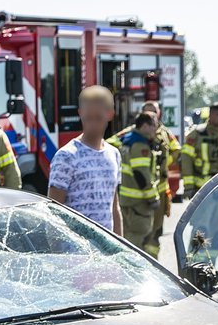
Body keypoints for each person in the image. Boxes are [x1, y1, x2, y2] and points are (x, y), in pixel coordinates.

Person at [48, 86, 123, 233]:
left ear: (110, 114)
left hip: (106, 252)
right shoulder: (66, 156)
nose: (93, 124)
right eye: (88, 117)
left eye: (98, 117)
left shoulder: (114, 154)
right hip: (74, 253)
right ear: (80, 113)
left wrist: (122, 249)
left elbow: (114, 207)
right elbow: (53, 213)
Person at [115, 110, 163, 252]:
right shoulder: (140, 145)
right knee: (138, 239)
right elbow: (141, 174)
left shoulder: (127, 139)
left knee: (127, 235)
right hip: (139, 202)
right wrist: (152, 197)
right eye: (154, 125)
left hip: (126, 199)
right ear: (145, 126)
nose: (156, 129)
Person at [179, 102, 218, 199]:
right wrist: (188, 187)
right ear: (210, 115)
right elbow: (186, 160)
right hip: (203, 189)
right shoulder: (197, 134)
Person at [139, 99, 177, 247]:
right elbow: (113, 143)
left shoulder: (165, 133)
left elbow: (177, 150)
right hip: (141, 189)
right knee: (141, 230)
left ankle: (154, 264)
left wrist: (162, 165)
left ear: (159, 113)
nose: (151, 114)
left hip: (160, 189)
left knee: (156, 231)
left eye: (154, 111)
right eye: (147, 111)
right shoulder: (133, 131)